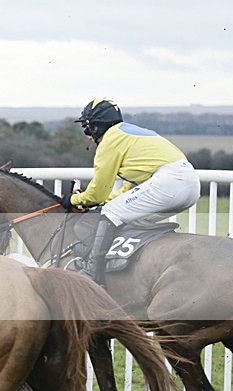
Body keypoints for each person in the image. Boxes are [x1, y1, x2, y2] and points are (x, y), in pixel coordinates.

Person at [62, 98, 201, 285]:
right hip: (190, 185)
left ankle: (91, 274)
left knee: (111, 213)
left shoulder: (109, 142)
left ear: (95, 127)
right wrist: (96, 200)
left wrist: (74, 200)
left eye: (87, 129)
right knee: (125, 215)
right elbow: (127, 192)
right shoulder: (128, 134)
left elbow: (97, 194)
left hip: (168, 183)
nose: (87, 135)